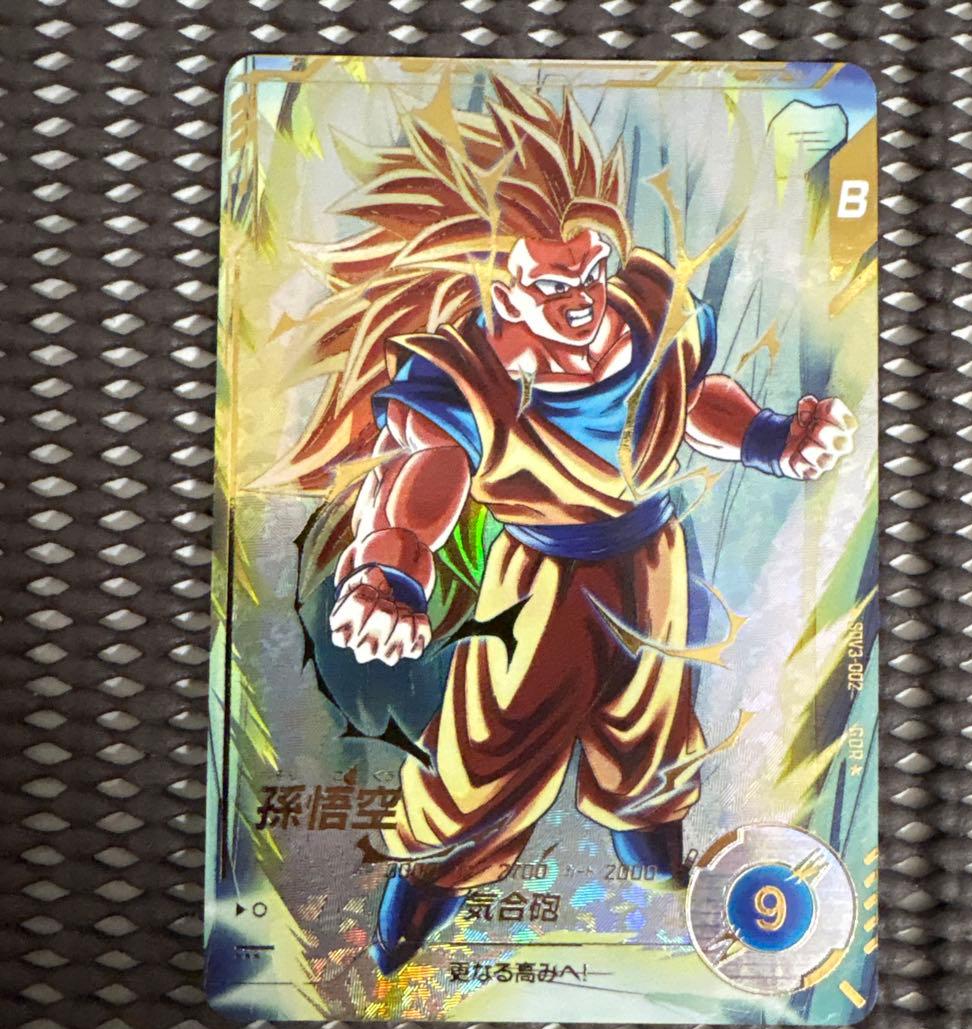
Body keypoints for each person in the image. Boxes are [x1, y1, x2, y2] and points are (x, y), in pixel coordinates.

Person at [273, 75, 855, 974]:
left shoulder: (647, 308)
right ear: (501, 290)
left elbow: (687, 397)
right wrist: (391, 571)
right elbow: (425, 472)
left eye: (591, 270)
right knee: (486, 767)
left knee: (653, 741)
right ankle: (411, 919)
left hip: (655, 561)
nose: (583, 297)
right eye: (553, 284)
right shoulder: (469, 372)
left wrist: (772, 439)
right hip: (539, 587)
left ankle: (662, 883)